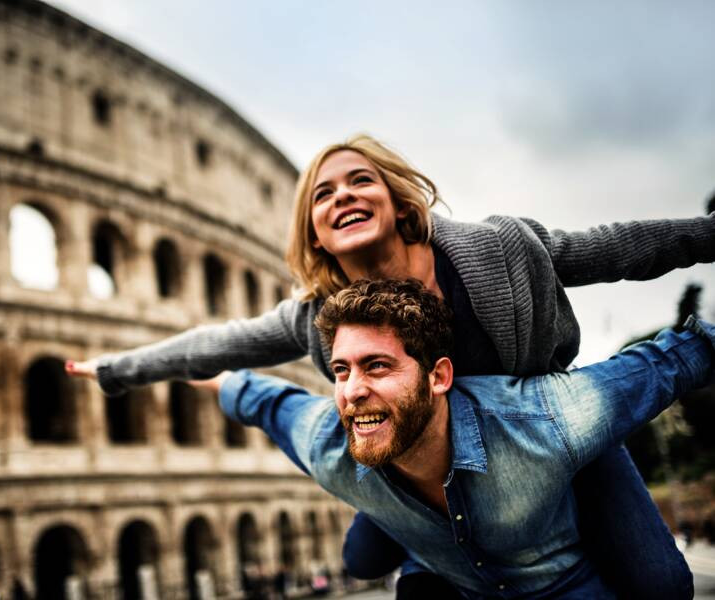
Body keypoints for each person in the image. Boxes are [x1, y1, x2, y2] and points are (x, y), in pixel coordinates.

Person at [67, 135, 715, 597]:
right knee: (361, 555)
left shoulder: (497, 252)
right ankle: (430, 542)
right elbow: (223, 344)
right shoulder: (316, 315)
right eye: (323, 194)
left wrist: (707, 235)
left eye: (360, 181)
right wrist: (119, 369)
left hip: (535, 436)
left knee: (660, 582)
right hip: (411, 456)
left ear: (398, 201)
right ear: (314, 232)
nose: (342, 196)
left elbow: (616, 249)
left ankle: (436, 550)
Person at [193, 279, 715, 599]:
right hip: (447, 575)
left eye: (377, 366)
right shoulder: (326, 441)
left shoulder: (543, 419)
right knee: (361, 560)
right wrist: (166, 366)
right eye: (341, 370)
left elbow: (673, 360)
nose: (352, 391)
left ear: (439, 376)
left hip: (560, 584)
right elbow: (261, 398)